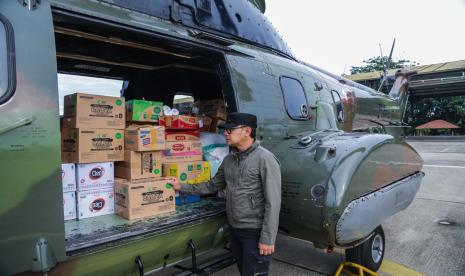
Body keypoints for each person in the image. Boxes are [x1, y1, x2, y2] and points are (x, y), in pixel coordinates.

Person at [170, 112, 281, 276]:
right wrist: (182, 186)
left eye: (230, 130)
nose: (225, 133)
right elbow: (212, 185)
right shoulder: (229, 160)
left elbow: (274, 202)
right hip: (235, 230)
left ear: (247, 131)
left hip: (254, 231)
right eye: (225, 130)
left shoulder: (264, 159)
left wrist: (268, 239)